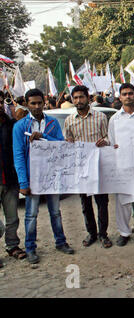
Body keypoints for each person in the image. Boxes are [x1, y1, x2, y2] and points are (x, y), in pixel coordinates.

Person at [12, 89, 74, 264]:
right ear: (26, 103)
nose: (37, 106)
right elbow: (18, 155)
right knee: (31, 215)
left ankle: (60, 242)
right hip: (33, 178)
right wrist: (23, 182)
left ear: (44, 102)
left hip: (51, 176)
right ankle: (30, 248)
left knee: (55, 212)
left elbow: (60, 145)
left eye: (40, 103)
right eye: (33, 103)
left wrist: (43, 136)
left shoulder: (52, 123)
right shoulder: (20, 127)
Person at [63, 85, 112, 249]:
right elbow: (66, 143)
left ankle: (103, 234)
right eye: (75, 98)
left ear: (88, 98)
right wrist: (68, 144)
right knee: (85, 204)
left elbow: (108, 139)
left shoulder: (100, 117)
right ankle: (91, 233)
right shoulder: (69, 121)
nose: (78, 101)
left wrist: (105, 142)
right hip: (80, 169)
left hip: (98, 167)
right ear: (72, 100)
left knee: (102, 203)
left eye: (81, 97)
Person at [108, 83, 134, 247]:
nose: (128, 96)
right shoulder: (115, 119)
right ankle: (124, 232)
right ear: (120, 97)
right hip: (123, 164)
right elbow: (112, 142)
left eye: (130, 93)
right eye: (124, 94)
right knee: (123, 201)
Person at [1, 96, 27, 265]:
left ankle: (12, 246)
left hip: (9, 179)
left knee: (12, 218)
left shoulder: (10, 125)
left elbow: (18, 149)